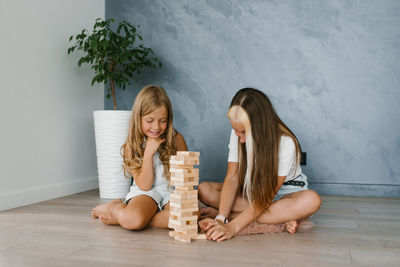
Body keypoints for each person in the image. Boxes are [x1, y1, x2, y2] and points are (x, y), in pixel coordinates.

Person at [198, 88, 321, 241]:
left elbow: (267, 196)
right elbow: (232, 178)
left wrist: (232, 226)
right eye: (236, 131)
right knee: (204, 190)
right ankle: (279, 217)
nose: (241, 139)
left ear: (260, 127)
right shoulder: (237, 133)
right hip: (254, 192)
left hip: (285, 193)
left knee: (312, 200)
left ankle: (240, 215)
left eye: (244, 132)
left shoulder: (285, 143)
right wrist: (220, 219)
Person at [92, 85, 188, 230]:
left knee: (187, 218)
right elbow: (144, 185)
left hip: (171, 192)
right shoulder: (132, 146)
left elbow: (185, 178)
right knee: (133, 221)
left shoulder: (176, 139)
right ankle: (115, 208)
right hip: (146, 192)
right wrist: (148, 153)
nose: (156, 127)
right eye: (150, 120)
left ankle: (138, 218)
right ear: (139, 118)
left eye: (162, 120)